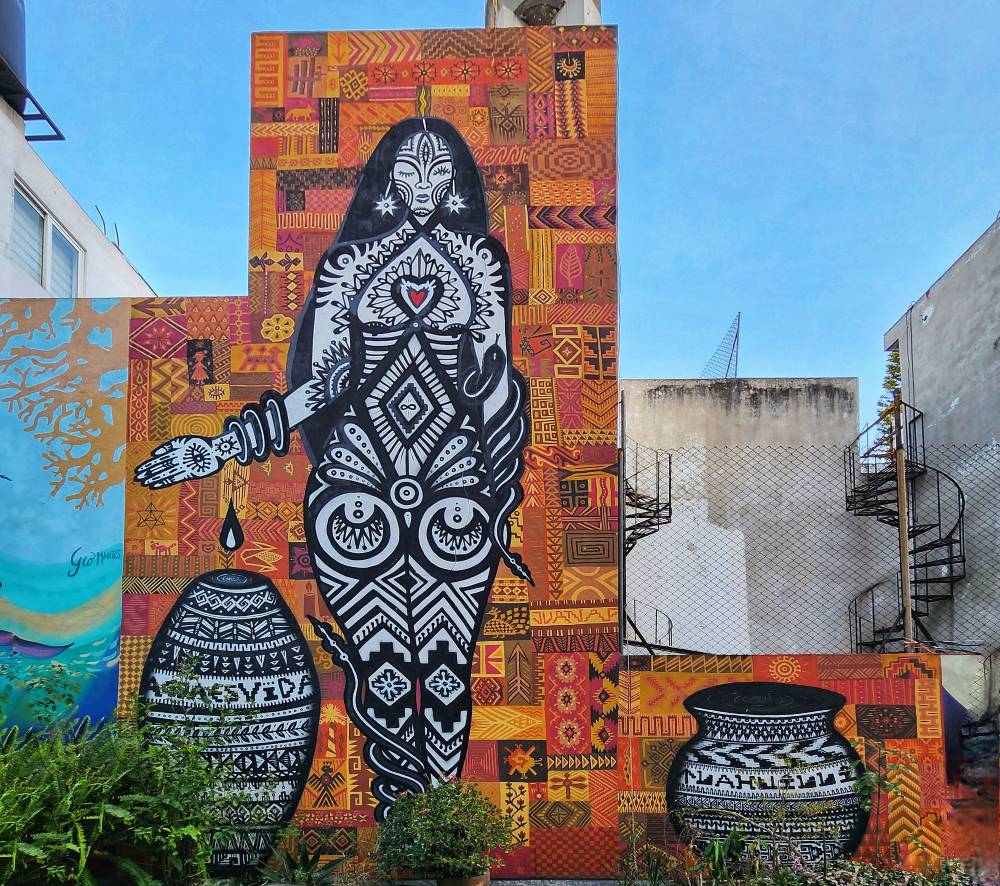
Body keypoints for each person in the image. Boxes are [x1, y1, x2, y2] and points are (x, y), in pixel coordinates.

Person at [135, 116, 531, 819]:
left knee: (447, 669)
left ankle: (439, 823)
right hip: (357, 480)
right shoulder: (347, 265)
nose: (423, 184)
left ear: (457, 181)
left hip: (455, 484)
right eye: (408, 169)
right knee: (380, 668)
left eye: (439, 170)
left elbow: (495, 380)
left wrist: (501, 468)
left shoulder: (481, 262)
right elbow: (319, 387)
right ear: (386, 176)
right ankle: (403, 823)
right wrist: (222, 447)